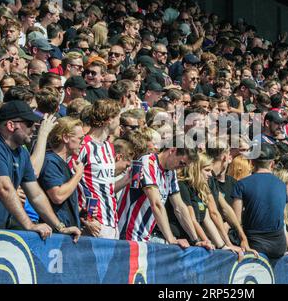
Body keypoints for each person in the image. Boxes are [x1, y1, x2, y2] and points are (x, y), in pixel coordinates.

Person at [0, 100, 80, 242]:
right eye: (29, 123)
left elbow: (36, 195)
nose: (34, 128)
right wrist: (29, 225)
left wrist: (60, 227)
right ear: (10, 125)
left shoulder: (22, 152)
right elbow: (4, 188)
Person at [117, 143, 212, 250]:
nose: (181, 167)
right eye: (181, 163)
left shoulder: (171, 172)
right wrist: (171, 239)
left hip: (144, 236)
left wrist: (196, 240)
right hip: (127, 233)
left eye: (184, 165)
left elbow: (179, 207)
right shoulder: (148, 162)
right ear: (172, 150)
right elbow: (156, 204)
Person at [74, 99, 128, 239]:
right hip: (94, 223)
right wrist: (84, 217)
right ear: (109, 119)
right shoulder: (84, 145)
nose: (119, 121)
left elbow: (106, 186)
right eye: (118, 117)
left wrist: (127, 178)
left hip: (111, 220)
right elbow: (69, 184)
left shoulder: (109, 146)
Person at [231, 143, 288, 259]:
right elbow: (283, 219)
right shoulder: (282, 185)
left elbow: (236, 220)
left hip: (253, 245)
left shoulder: (241, 184)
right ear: (272, 164)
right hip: (279, 246)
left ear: (251, 162)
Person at [38, 117, 84, 228]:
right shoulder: (50, 161)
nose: (82, 144)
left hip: (66, 231)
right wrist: (78, 175)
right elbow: (57, 196)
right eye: (80, 139)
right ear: (66, 138)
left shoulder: (62, 163)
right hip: (54, 233)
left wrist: (83, 213)